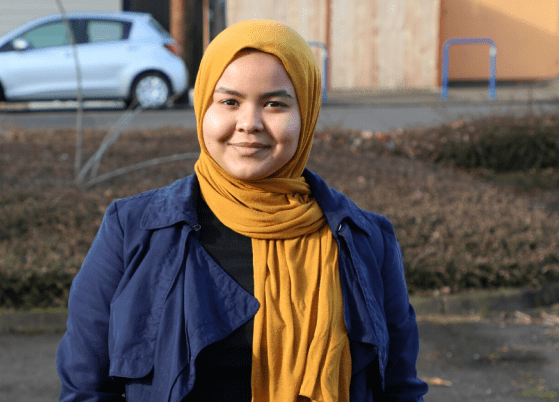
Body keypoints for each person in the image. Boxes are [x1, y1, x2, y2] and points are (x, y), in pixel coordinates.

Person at [56, 19, 428, 402]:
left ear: (307, 113)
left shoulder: (366, 241)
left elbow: (399, 388)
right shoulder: (133, 231)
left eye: (274, 104)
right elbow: (86, 388)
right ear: (203, 107)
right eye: (229, 101)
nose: (249, 124)